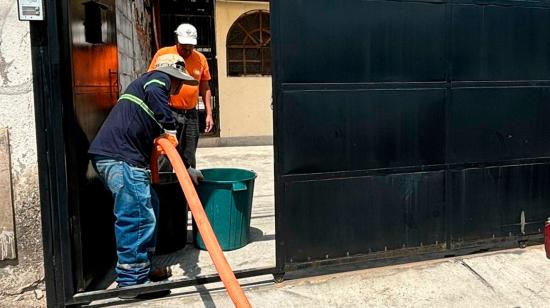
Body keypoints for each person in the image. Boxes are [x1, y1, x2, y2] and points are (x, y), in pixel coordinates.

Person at [88, 54, 203, 297]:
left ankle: (142, 269)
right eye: (178, 81)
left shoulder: (148, 98)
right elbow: (157, 92)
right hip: (121, 159)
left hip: (124, 160)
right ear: (171, 75)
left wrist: (187, 167)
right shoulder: (155, 80)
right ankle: (131, 283)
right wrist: (170, 126)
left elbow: (165, 146)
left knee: (151, 206)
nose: (180, 86)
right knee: (137, 217)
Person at [148, 23, 213, 170]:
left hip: (191, 114)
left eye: (191, 46)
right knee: (166, 153)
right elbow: (152, 79)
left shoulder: (200, 59)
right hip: (168, 111)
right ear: (177, 40)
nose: (188, 49)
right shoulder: (163, 54)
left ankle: (186, 189)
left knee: (189, 154)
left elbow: (205, 87)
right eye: (184, 45)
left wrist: (209, 113)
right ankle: (164, 186)